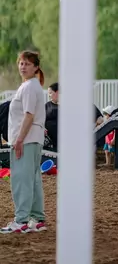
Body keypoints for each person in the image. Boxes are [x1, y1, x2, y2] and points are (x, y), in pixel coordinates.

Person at [1, 51, 47, 235]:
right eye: (21, 63)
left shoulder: (29, 87)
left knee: (21, 179)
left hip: (26, 140)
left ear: (36, 67)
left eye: (27, 64)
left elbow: (29, 115)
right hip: (32, 139)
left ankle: (21, 220)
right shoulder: (32, 86)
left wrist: (19, 140)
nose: (23, 66)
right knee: (33, 179)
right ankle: (37, 219)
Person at [44, 82, 104, 152]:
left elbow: (100, 119)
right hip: (53, 145)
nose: (49, 95)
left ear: (57, 92)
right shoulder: (47, 106)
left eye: (50, 93)